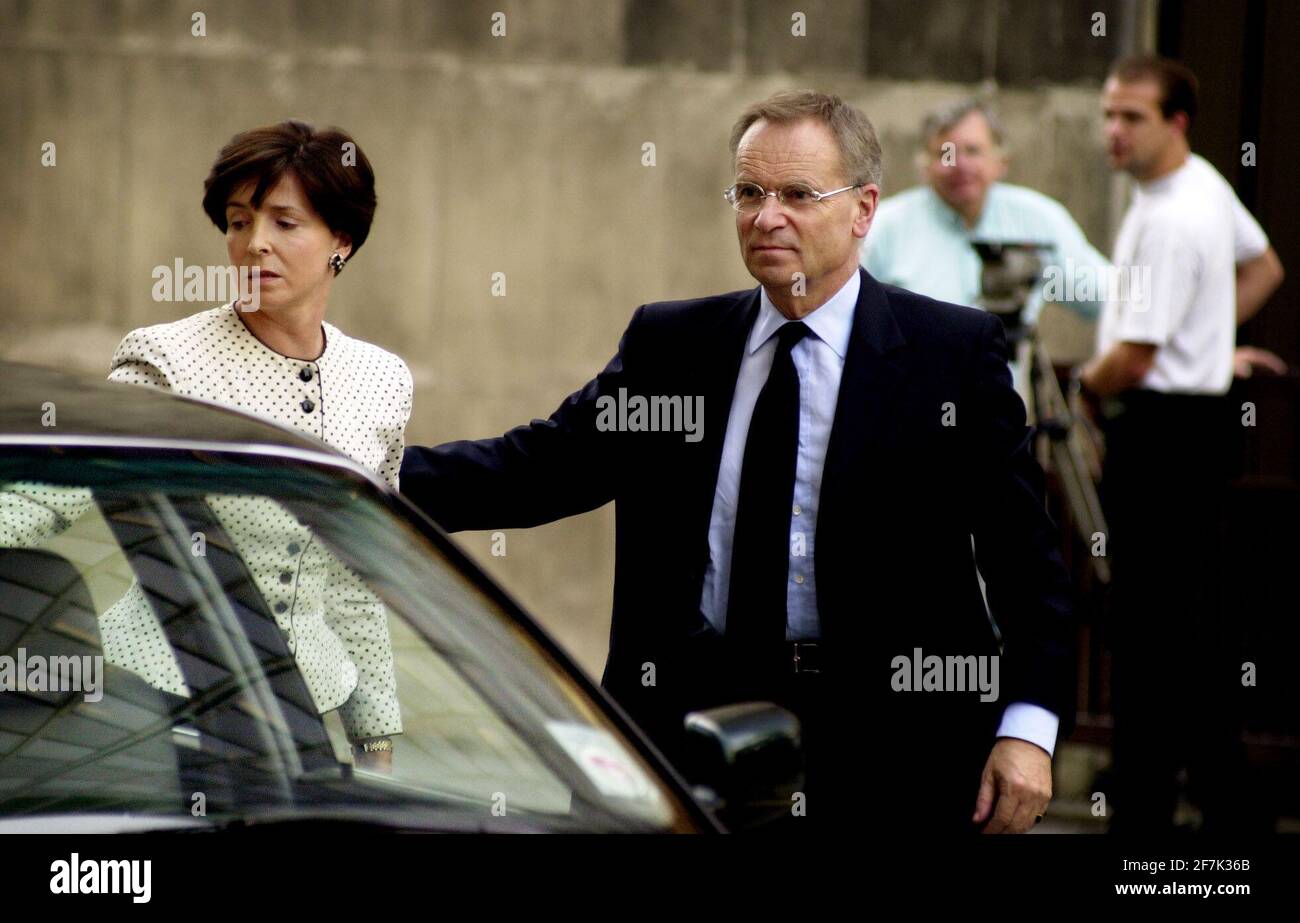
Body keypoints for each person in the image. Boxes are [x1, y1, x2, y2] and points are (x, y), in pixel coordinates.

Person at [401, 91, 1076, 833]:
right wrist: (358, 471)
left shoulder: (951, 356)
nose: (766, 216)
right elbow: (536, 468)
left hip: (894, 741)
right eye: (749, 192)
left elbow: (1028, 562)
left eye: (797, 194)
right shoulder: (673, 346)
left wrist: (1028, 726)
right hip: (695, 730)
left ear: (864, 208)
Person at [107, 121, 411, 769]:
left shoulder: (384, 381)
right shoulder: (167, 359)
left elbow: (358, 577)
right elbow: (51, 494)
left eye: (284, 223)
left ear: (341, 242)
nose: (254, 245)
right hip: (148, 703)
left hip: (297, 718)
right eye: (239, 222)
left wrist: (374, 740)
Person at [1079, 55, 1283, 833]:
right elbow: (1263, 266)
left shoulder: (1170, 212)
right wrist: (1208, 340)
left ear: (1176, 122)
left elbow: (1131, 354)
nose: (1113, 131)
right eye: (1108, 113)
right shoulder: (1198, 183)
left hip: (1162, 437)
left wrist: (1087, 389)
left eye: (1131, 117)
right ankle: (1218, 809)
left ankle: (1148, 814)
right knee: (1184, 636)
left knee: (1149, 640)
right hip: (1192, 429)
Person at [862, 98, 1111, 325]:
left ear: (1001, 161)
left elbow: (1110, 297)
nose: (960, 166)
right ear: (924, 165)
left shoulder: (1038, 221)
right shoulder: (885, 229)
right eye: (945, 154)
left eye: (973, 151)